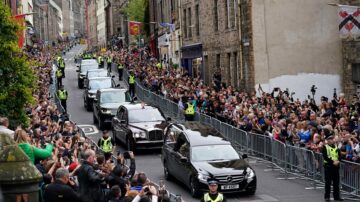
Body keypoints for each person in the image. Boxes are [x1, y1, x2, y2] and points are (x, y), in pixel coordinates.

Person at [323, 131, 344, 201]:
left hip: (336, 167)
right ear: (327, 140)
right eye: (329, 139)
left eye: (332, 139)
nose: (331, 140)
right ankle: (327, 197)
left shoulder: (336, 147)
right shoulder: (325, 147)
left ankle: (336, 196)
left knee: (336, 183)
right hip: (328, 166)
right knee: (328, 183)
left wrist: (338, 161)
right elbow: (325, 157)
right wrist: (333, 162)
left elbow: (340, 156)